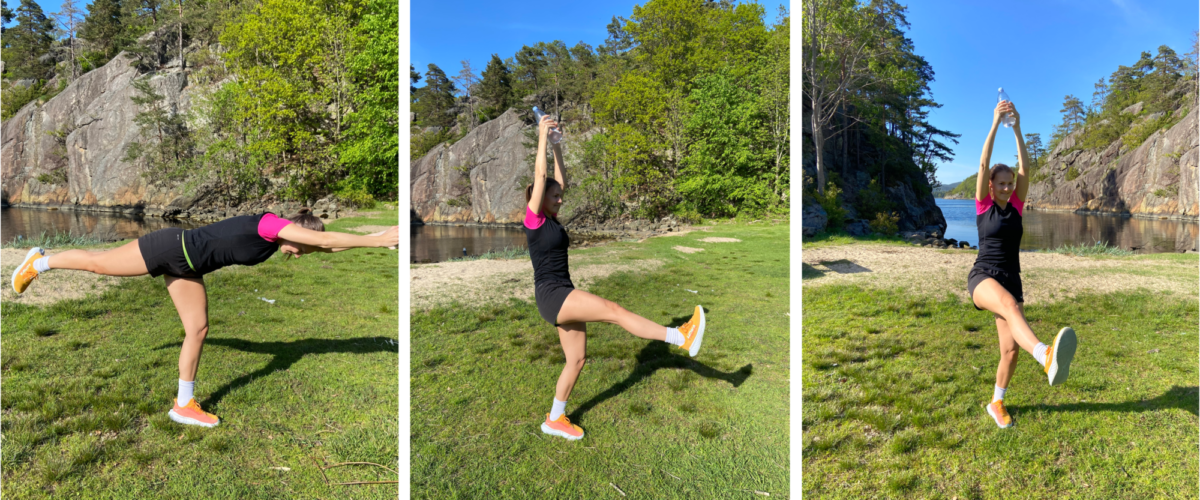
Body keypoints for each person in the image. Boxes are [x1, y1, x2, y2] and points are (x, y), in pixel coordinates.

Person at [10, 210, 408, 427]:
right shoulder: (269, 224)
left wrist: (377, 243)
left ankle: (184, 404)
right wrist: (375, 238)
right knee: (99, 265)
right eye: (300, 247)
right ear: (295, 232)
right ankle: (39, 262)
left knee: (198, 329)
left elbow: (326, 246)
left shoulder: (282, 242)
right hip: (169, 247)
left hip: (186, 267)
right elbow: (321, 240)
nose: (300, 255)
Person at [524, 114, 705, 441]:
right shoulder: (534, 220)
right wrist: (540, 136)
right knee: (614, 310)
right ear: (538, 199)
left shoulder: (550, 217)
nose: (559, 198)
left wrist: (557, 148)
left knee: (577, 360)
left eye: (558, 197)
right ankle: (681, 337)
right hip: (553, 295)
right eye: (554, 197)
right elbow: (541, 178)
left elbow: (558, 181)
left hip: (560, 292)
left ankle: (554, 419)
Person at [968, 99, 1076, 429]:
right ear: (990, 185)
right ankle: (1045, 355)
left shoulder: (1015, 206)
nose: (1006, 187)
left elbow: (1026, 168)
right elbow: (985, 161)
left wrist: (1016, 129)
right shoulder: (983, 205)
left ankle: (996, 402)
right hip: (983, 277)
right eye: (1000, 183)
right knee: (1010, 306)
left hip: (1011, 278)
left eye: (1009, 183)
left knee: (1010, 351)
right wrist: (994, 122)